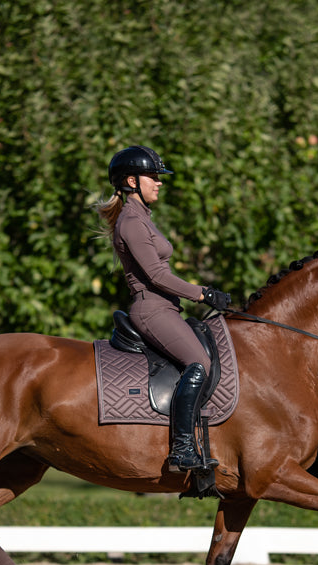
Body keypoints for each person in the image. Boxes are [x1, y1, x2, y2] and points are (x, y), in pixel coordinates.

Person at [97, 145, 230, 472]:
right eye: (152, 177)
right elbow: (156, 276)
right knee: (199, 362)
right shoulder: (131, 222)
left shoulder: (142, 217)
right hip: (152, 310)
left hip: (167, 309)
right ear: (131, 181)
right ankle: (182, 449)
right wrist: (203, 294)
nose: (159, 183)